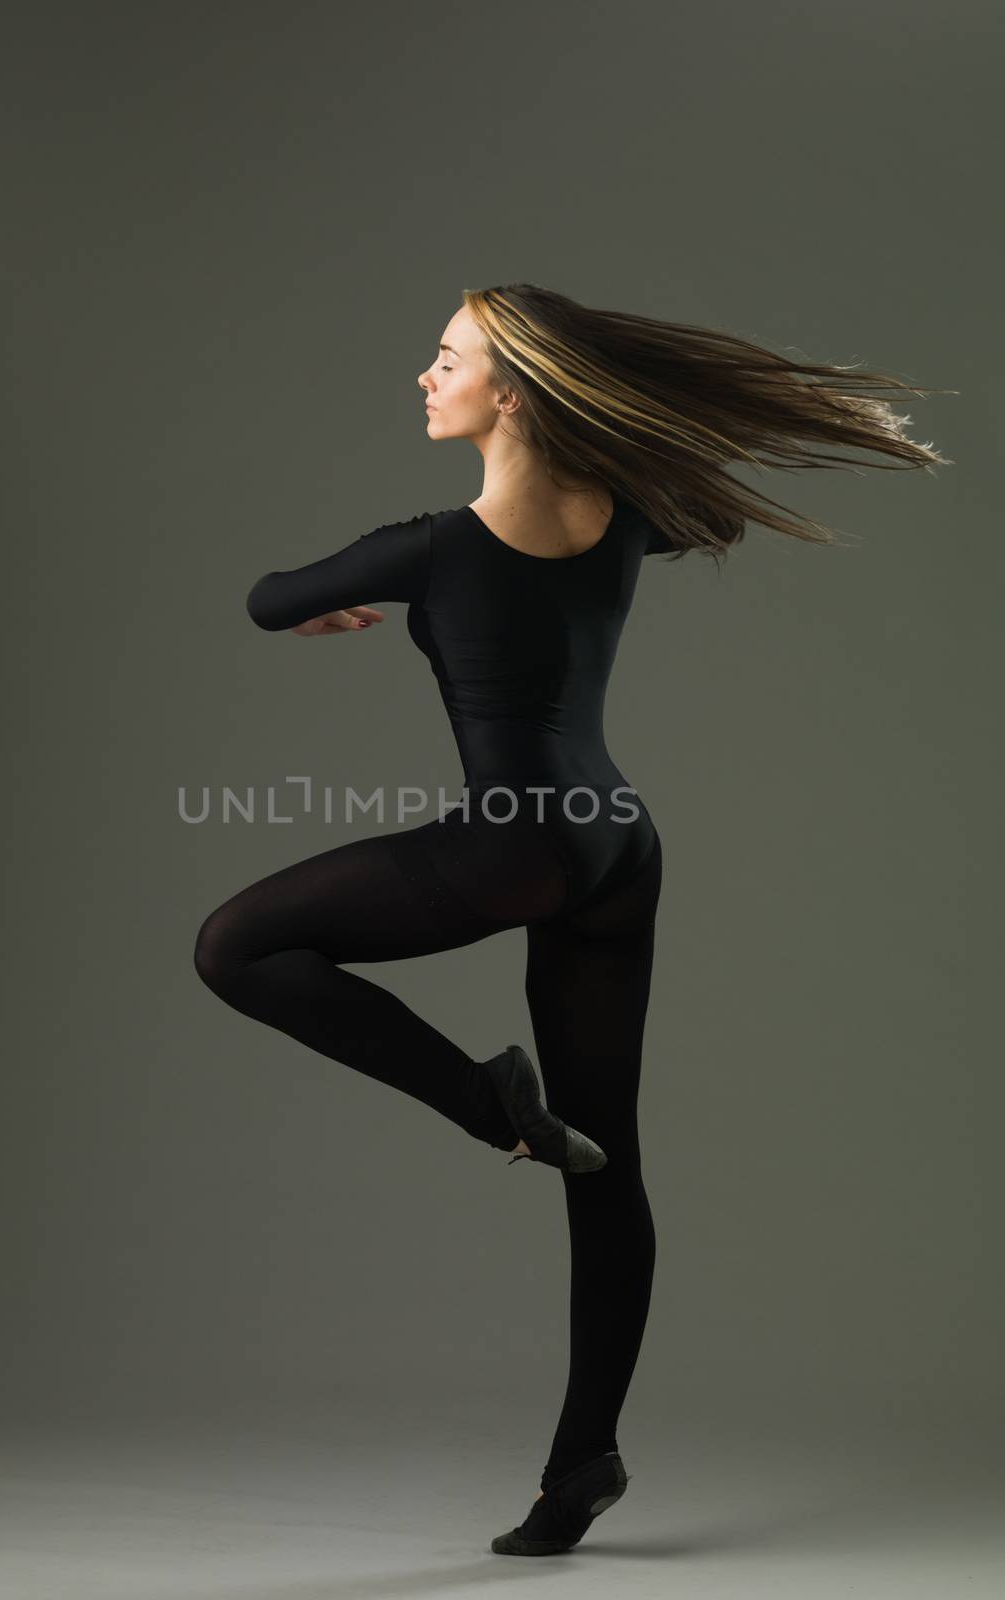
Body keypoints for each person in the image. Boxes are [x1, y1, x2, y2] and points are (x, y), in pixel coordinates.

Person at [193, 282, 952, 1556]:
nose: (424, 377)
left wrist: (341, 604)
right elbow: (702, 513)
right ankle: (581, 1463)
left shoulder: (430, 546)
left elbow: (269, 596)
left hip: (516, 846)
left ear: (511, 392)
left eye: (446, 360)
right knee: (608, 1155)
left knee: (236, 946)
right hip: (619, 845)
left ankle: (489, 1105)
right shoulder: (623, 520)